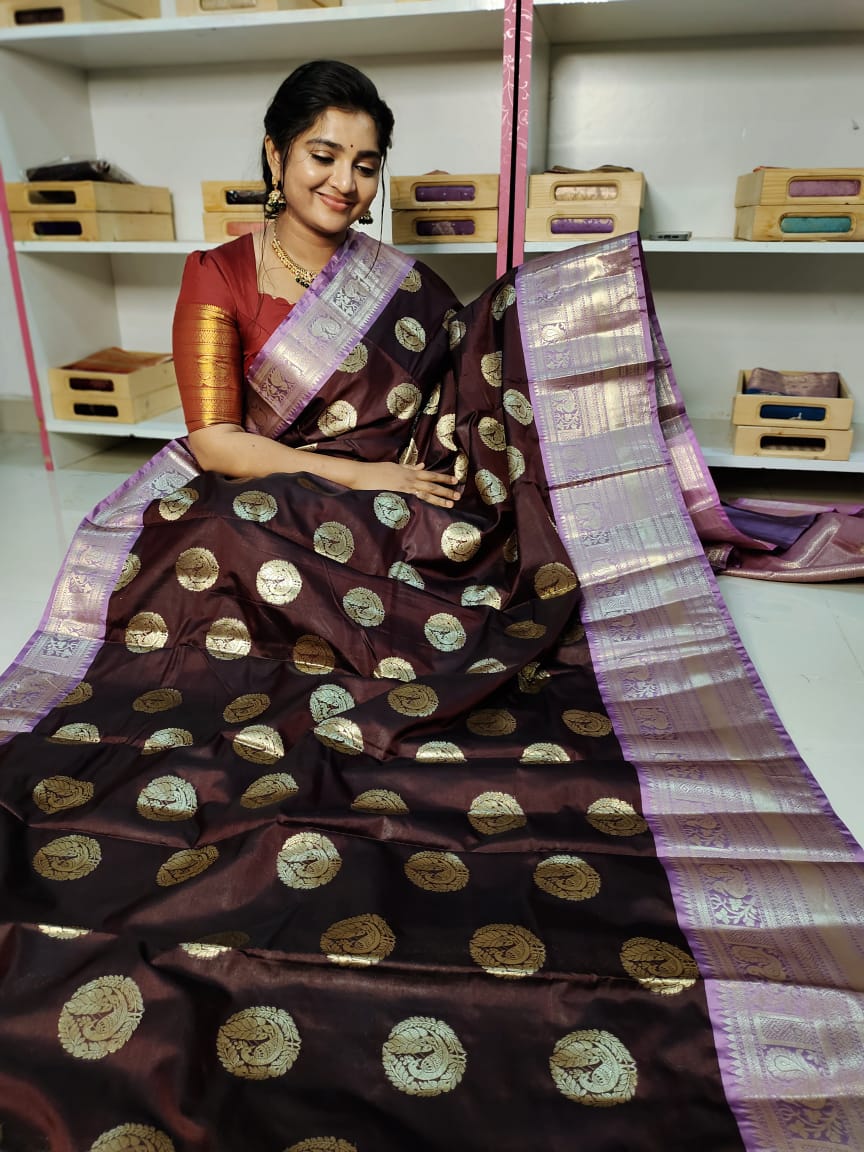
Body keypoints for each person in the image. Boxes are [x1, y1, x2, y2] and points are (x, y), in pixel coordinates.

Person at [0, 59, 861, 1152]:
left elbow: (461, 377)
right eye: (323, 156)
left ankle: (395, 619)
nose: (344, 183)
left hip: (398, 491)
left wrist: (549, 319)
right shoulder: (217, 273)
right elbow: (215, 441)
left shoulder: (401, 284)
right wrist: (359, 476)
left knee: (468, 495)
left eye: (366, 165)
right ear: (274, 154)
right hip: (283, 487)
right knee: (224, 528)